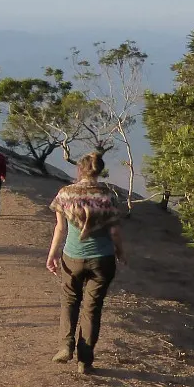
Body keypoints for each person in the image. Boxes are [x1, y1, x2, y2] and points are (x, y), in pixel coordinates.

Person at [45, 151, 126, 375]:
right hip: (103, 259)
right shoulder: (109, 196)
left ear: (79, 169)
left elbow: (60, 228)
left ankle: (65, 345)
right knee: (92, 308)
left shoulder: (65, 194)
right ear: (99, 171)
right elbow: (115, 231)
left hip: (73, 256)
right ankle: (85, 360)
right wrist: (121, 252)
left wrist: (52, 254)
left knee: (70, 301)